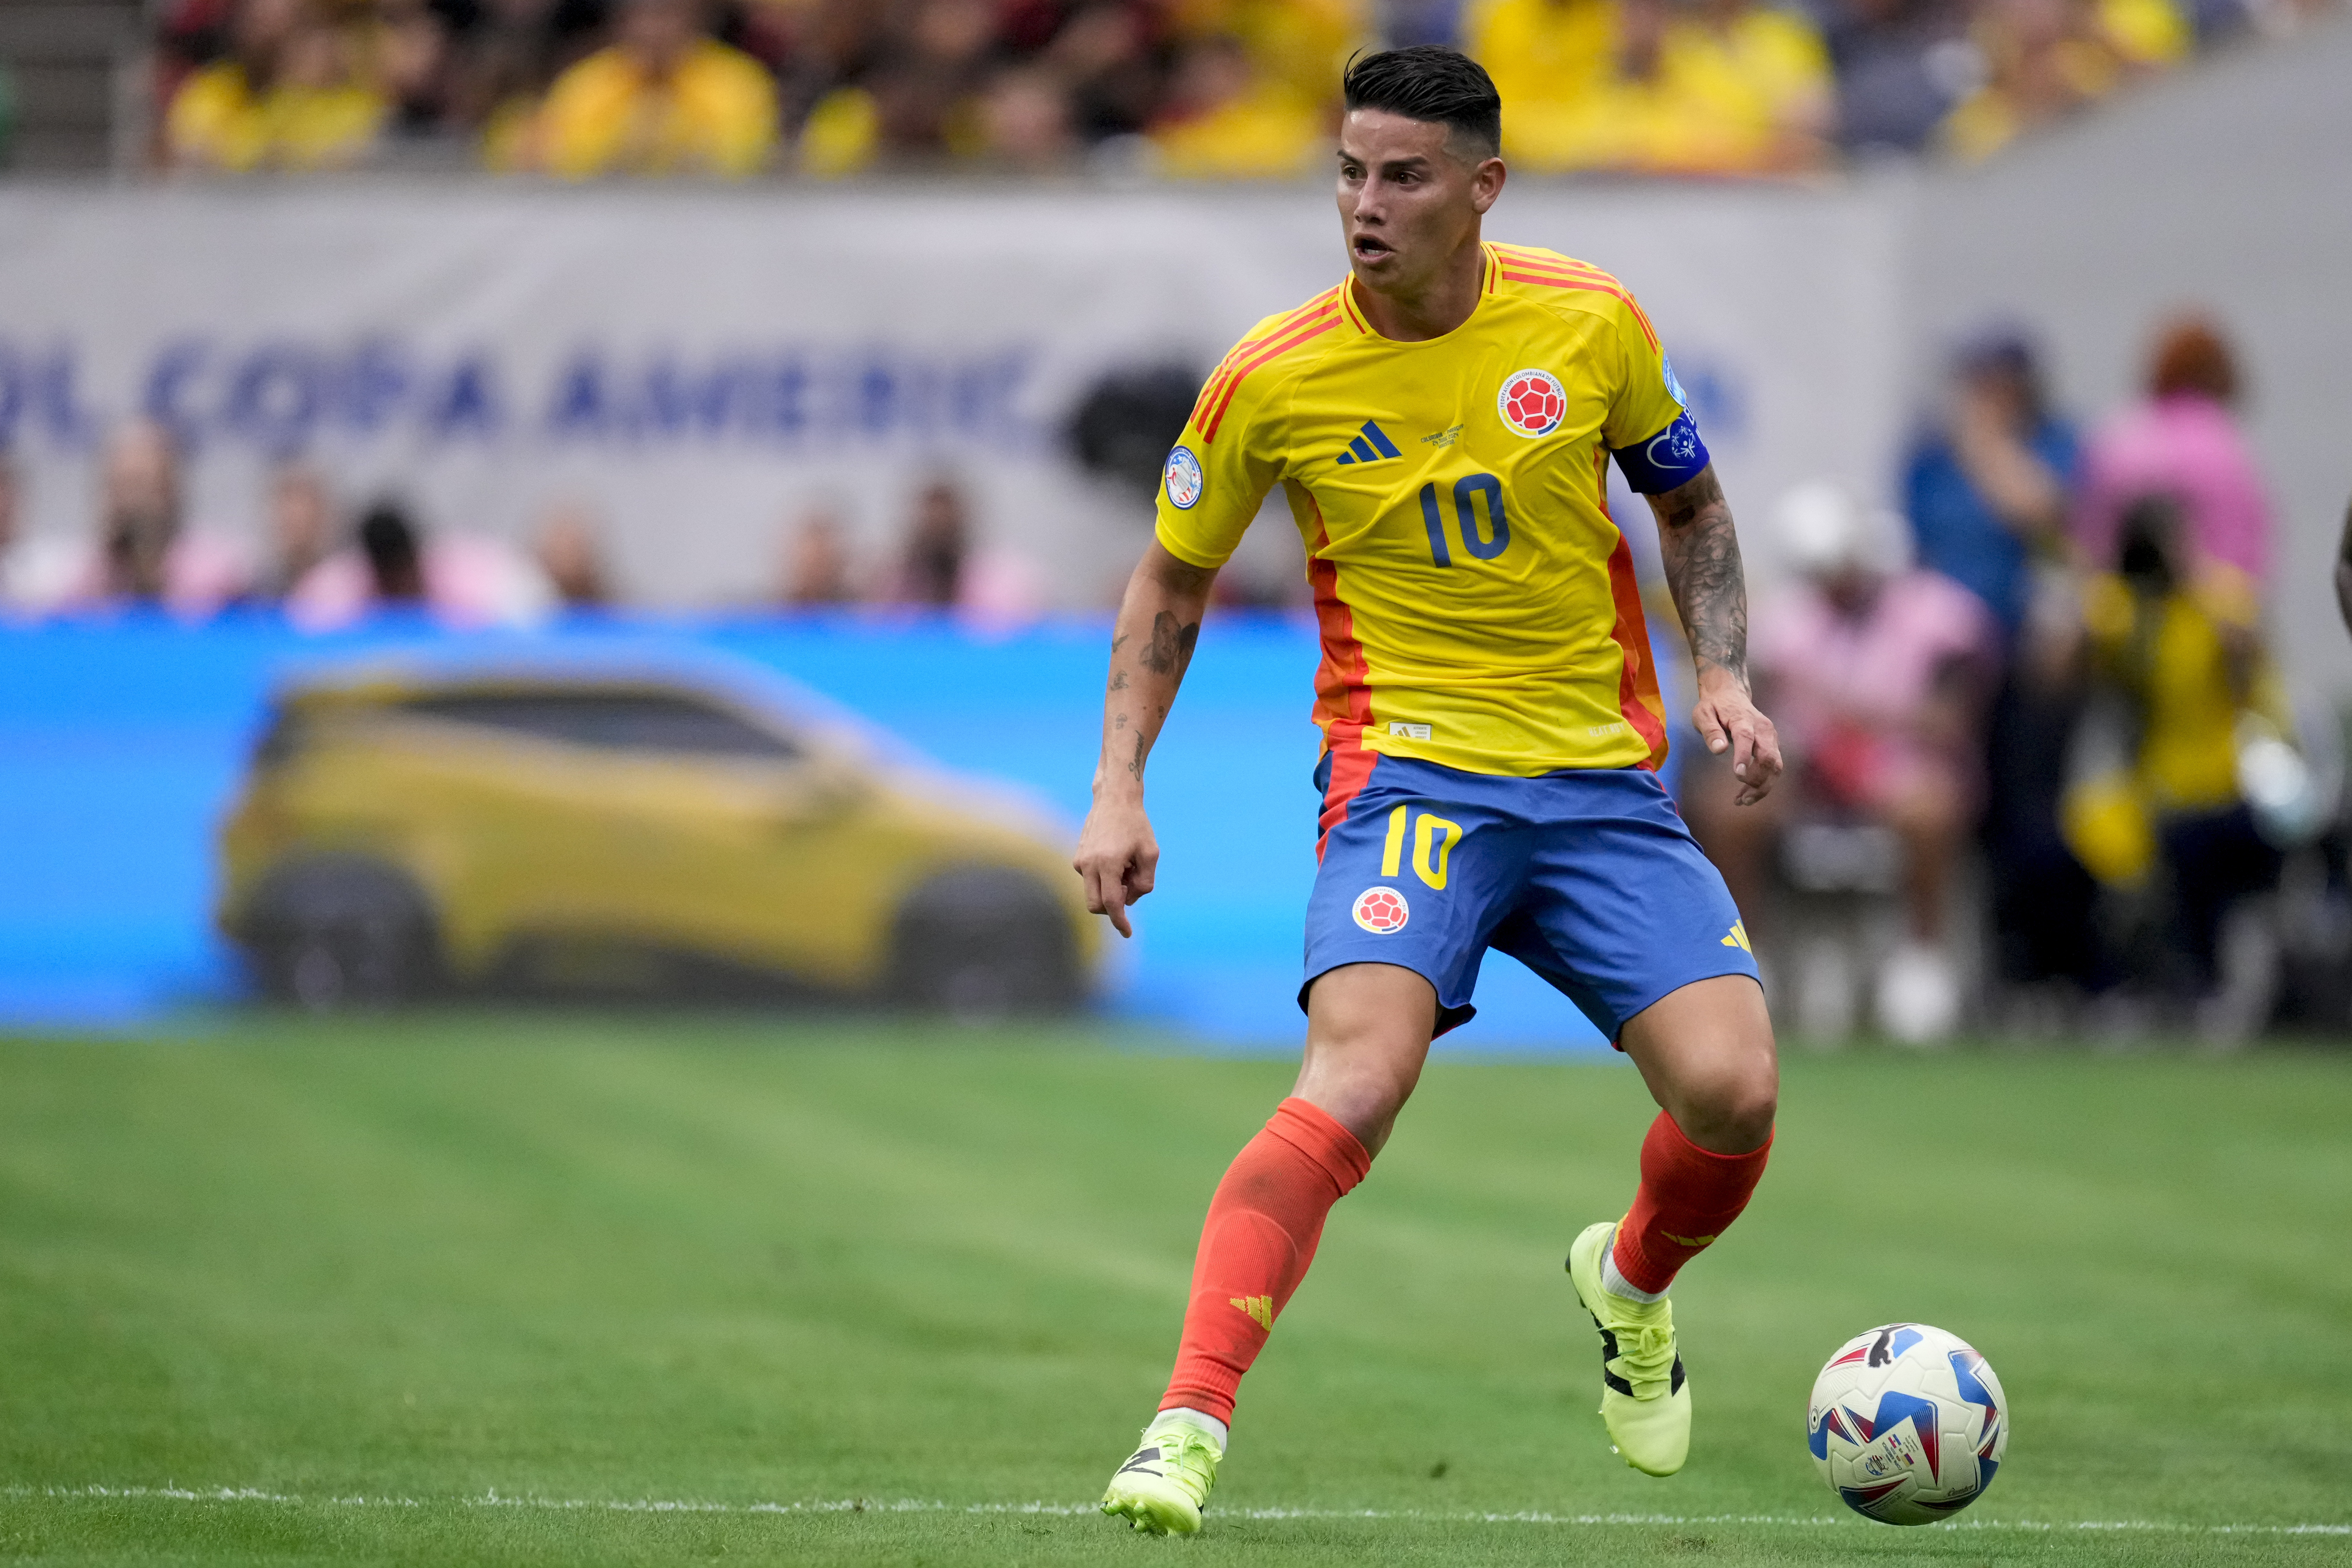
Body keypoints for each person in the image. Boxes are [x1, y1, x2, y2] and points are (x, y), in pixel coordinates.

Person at [1080, 46, 1781, 1535]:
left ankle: (1631, 1282)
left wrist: (1720, 674)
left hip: (1597, 787)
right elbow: (1170, 581)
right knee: (1353, 1079)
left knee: (1732, 1095)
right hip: (1407, 783)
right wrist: (1117, 788)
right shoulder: (1273, 376)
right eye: (1347, 171)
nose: (1364, 204)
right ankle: (1184, 1425)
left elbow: (1691, 503)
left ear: (1482, 189)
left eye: (1401, 176)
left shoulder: (1588, 324)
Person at [1715, 481, 1997, 1041]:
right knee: (1729, 810)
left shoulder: (1935, 611)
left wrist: (1848, 716)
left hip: (1898, 768)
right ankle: (1750, 955)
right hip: (1806, 768)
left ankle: (1923, 961)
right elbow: (1765, 709)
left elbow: (1947, 721)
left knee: (1928, 809)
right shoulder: (1788, 619)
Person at [1903, 330, 2077, 644]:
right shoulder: (1931, 457)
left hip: (2026, 626)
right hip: (1950, 635)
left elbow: (2042, 512)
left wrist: (1988, 445)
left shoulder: (2055, 441)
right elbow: (1914, 547)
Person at [2073, 315, 2271, 590]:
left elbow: (2090, 536)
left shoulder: (2119, 434)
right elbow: (2244, 556)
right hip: (2203, 612)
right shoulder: (2219, 442)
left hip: (2118, 608)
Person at [526, 0, 778, 177]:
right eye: (643, 18)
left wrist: (674, 141)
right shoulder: (586, 83)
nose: (654, 30)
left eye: (667, 16)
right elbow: (556, 155)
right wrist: (623, 146)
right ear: (623, 24)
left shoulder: (739, 81)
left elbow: (752, 156)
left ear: (695, 20)